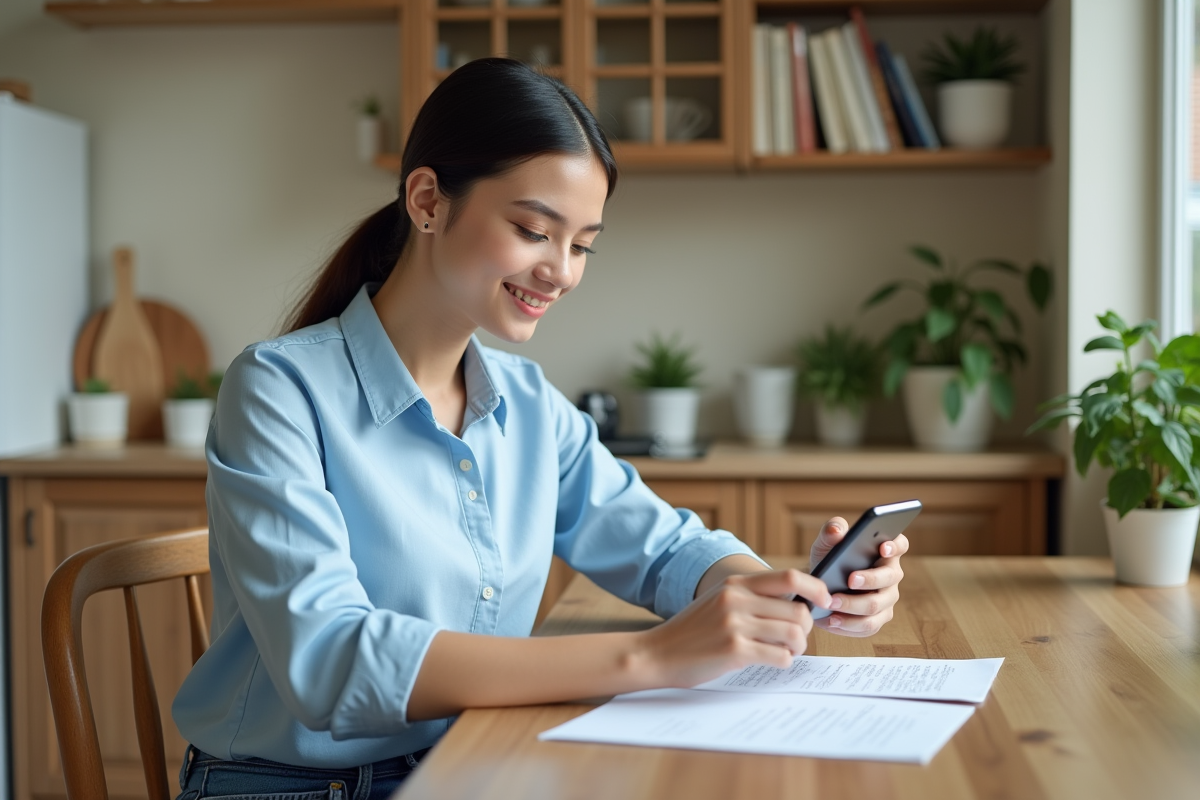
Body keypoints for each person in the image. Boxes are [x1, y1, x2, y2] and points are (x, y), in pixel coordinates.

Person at [172, 58, 909, 800]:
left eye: (583, 245)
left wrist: (784, 593)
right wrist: (648, 658)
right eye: (533, 230)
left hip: (476, 761)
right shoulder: (278, 389)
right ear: (428, 200)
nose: (560, 271)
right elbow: (330, 662)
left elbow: (665, 550)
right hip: (293, 786)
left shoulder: (527, 402)